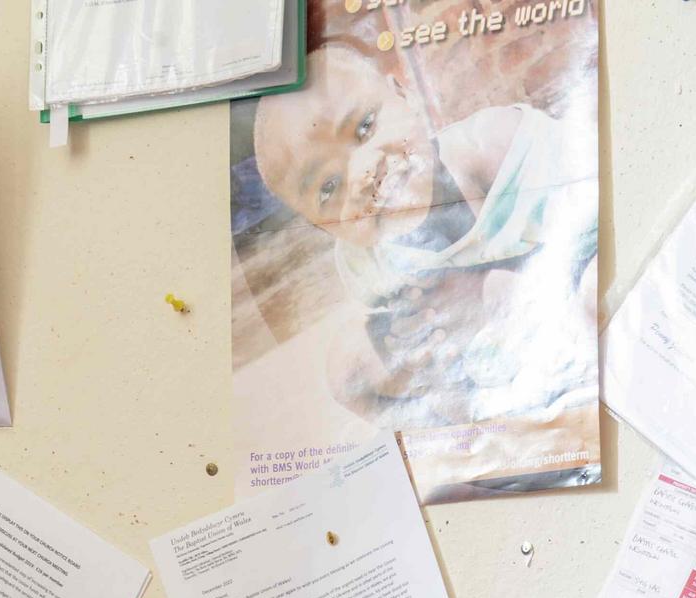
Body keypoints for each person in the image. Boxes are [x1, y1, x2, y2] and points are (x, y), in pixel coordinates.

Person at [250, 39, 597, 439]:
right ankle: (451, 440)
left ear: (405, 95)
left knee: (592, 286)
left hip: (559, 295)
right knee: (346, 368)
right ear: (319, 226)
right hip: (479, 352)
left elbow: (592, 214)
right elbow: (404, 326)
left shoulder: (495, 145)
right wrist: (415, 345)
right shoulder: (362, 261)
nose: (364, 173)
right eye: (329, 187)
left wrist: (498, 289)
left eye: (364, 127)